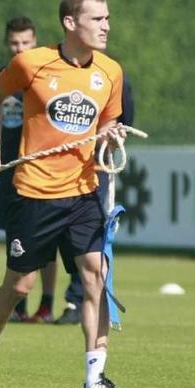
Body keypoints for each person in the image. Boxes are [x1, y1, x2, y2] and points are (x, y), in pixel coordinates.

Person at [0, 0, 133, 388]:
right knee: (19, 286)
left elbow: (108, 131)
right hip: (34, 193)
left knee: (95, 277)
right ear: (70, 23)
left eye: (108, 18)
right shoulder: (32, 63)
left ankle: (95, 380)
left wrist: (111, 138)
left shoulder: (111, 72)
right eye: (98, 19)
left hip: (84, 193)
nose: (106, 26)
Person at [0, 16, 57, 324]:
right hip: (8, 171)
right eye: (15, 43)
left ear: (35, 42)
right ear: (8, 43)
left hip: (41, 171)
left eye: (26, 42)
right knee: (15, 236)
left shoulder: (46, 76)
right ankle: (18, 304)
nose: (20, 48)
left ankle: (46, 304)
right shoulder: (1, 78)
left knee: (47, 241)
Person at [55, 74, 135, 325]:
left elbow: (124, 120)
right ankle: (70, 301)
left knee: (92, 241)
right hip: (60, 173)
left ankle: (79, 300)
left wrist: (112, 139)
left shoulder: (113, 75)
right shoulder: (61, 73)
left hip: (96, 173)